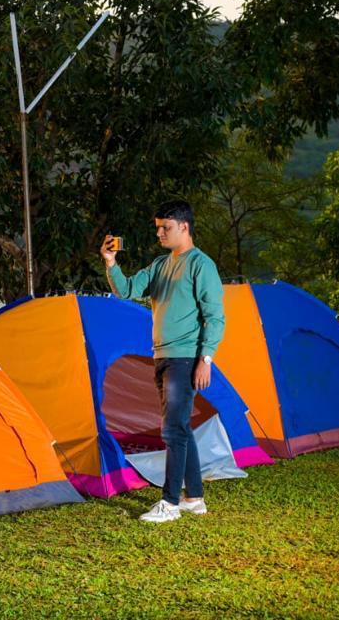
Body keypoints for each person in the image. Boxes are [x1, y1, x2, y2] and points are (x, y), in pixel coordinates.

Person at [100, 200, 224, 523]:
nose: (159, 233)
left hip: (186, 358)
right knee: (180, 426)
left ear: (184, 227)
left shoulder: (201, 265)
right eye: (157, 227)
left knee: (171, 429)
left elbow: (215, 318)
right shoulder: (159, 265)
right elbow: (127, 290)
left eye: (165, 227)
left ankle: (170, 502)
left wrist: (205, 359)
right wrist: (111, 263)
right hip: (162, 357)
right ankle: (194, 498)